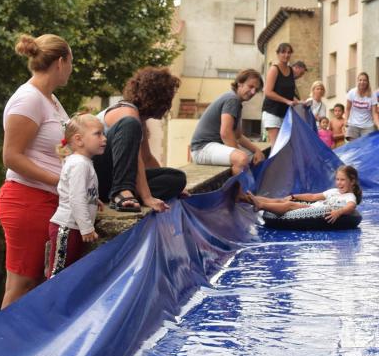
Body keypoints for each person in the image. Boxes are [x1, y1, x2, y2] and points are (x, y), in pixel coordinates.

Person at [0, 33, 72, 308]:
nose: (71, 70)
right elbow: (11, 157)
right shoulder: (28, 99)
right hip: (26, 199)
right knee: (21, 285)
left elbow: (58, 152)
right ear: (61, 62)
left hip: (49, 200)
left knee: (36, 284)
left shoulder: (51, 100)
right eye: (71, 63)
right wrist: (60, 182)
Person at [94, 67, 186, 214]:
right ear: (160, 97)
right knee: (130, 123)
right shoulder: (127, 113)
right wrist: (147, 196)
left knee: (177, 178)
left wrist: (176, 187)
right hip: (96, 175)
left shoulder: (139, 121)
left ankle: (125, 194)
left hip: (110, 181)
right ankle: (121, 192)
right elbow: (135, 159)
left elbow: (147, 159)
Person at [47, 114, 106, 278]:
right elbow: (76, 198)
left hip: (73, 228)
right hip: (67, 228)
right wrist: (87, 227)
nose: (104, 138)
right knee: (58, 275)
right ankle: (52, 303)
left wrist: (94, 199)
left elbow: (79, 191)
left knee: (67, 273)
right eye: (98, 134)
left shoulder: (82, 162)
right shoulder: (79, 164)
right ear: (79, 140)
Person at [190, 69, 265, 175]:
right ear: (240, 83)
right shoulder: (232, 100)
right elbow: (225, 133)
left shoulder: (236, 101)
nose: (253, 92)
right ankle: (242, 191)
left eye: (256, 90)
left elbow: (238, 136)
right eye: (251, 86)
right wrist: (239, 155)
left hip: (211, 147)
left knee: (254, 157)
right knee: (242, 158)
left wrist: (257, 150)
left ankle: (250, 189)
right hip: (202, 149)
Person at [242, 164, 362, 225]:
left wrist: (338, 212)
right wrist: (295, 196)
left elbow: (350, 207)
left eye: (343, 180)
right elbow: (313, 197)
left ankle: (261, 205)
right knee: (281, 201)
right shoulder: (333, 191)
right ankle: (245, 198)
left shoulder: (350, 197)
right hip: (312, 206)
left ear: (352, 181)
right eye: (337, 179)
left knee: (289, 205)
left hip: (317, 211)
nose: (339, 183)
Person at [262, 42, 299, 148]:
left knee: (286, 145)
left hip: (285, 113)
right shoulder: (274, 69)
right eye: (283, 52)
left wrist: (299, 102)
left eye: (288, 53)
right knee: (277, 146)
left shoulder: (291, 71)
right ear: (278, 54)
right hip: (272, 112)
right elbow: (268, 92)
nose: (286, 55)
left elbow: (289, 93)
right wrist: (286, 101)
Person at [345, 72, 379, 141]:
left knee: (366, 147)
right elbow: (347, 109)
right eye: (360, 80)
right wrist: (346, 120)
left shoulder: (373, 95)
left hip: (367, 126)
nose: (362, 82)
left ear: (367, 82)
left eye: (364, 80)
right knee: (353, 147)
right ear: (357, 81)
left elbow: (374, 113)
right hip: (353, 124)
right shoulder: (352, 92)